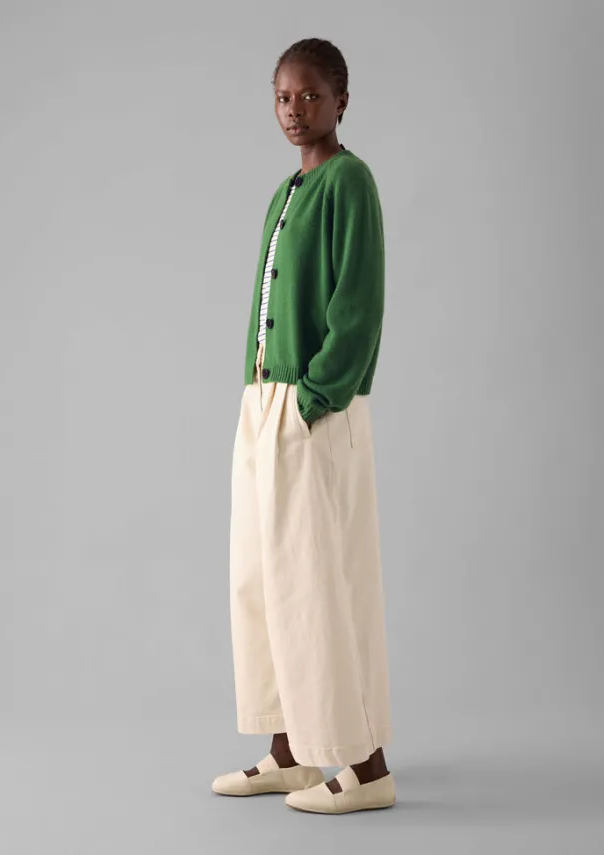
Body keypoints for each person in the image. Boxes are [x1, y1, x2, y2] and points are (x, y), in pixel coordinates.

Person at [211, 38, 395, 815]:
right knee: (262, 579)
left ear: (341, 101)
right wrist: (262, 397)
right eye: (283, 96)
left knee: (318, 585)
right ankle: (291, 752)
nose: (294, 110)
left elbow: (358, 304)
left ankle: (365, 764)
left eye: (311, 95)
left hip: (312, 406)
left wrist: (315, 397)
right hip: (264, 403)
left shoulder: (349, 180)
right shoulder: (286, 189)